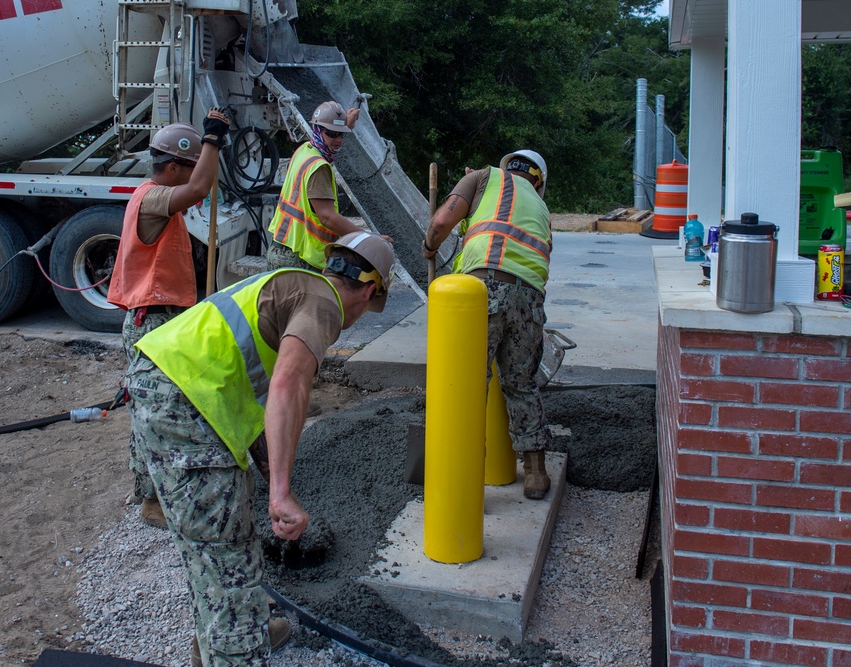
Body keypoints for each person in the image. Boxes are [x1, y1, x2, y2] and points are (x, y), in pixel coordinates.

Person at [124, 231, 396, 667]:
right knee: (227, 549)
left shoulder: (289, 283)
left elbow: (246, 376)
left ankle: (223, 634)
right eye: (370, 305)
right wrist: (281, 492)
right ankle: (233, 643)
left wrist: (269, 465)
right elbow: (289, 384)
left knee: (216, 540)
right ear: (368, 291)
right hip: (183, 404)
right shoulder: (325, 304)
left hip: (166, 387)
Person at [107, 109, 230, 528]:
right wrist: (213, 138)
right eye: (192, 164)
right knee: (159, 414)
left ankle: (149, 494)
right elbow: (199, 188)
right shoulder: (152, 197)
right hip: (151, 323)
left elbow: (198, 184)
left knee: (150, 411)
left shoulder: (156, 200)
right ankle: (154, 503)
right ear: (173, 166)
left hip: (162, 320)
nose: (199, 173)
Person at [420, 150, 554, 500]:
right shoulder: (541, 209)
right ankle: (536, 473)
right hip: (530, 300)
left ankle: (463, 475)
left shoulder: (483, 176)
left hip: (484, 291)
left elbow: (440, 223)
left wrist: (429, 247)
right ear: (537, 181)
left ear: (508, 165)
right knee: (522, 384)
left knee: (468, 386)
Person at [267, 100, 387, 271]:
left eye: (341, 134)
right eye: (332, 133)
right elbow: (327, 217)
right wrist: (366, 239)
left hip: (282, 248)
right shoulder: (319, 168)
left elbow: (328, 133)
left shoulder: (305, 150)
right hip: (300, 260)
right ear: (318, 131)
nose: (338, 140)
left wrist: (344, 122)